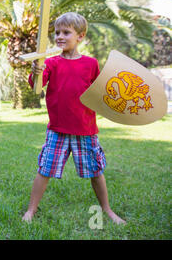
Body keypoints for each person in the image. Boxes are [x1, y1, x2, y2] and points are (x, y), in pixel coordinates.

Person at [21, 12, 125, 225]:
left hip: (85, 130)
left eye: (66, 32)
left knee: (96, 172)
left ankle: (107, 209)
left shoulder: (91, 63)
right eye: (57, 32)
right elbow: (36, 88)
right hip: (57, 130)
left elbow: (99, 93)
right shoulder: (50, 63)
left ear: (80, 36)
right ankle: (31, 210)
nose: (59, 36)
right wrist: (36, 72)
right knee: (44, 170)